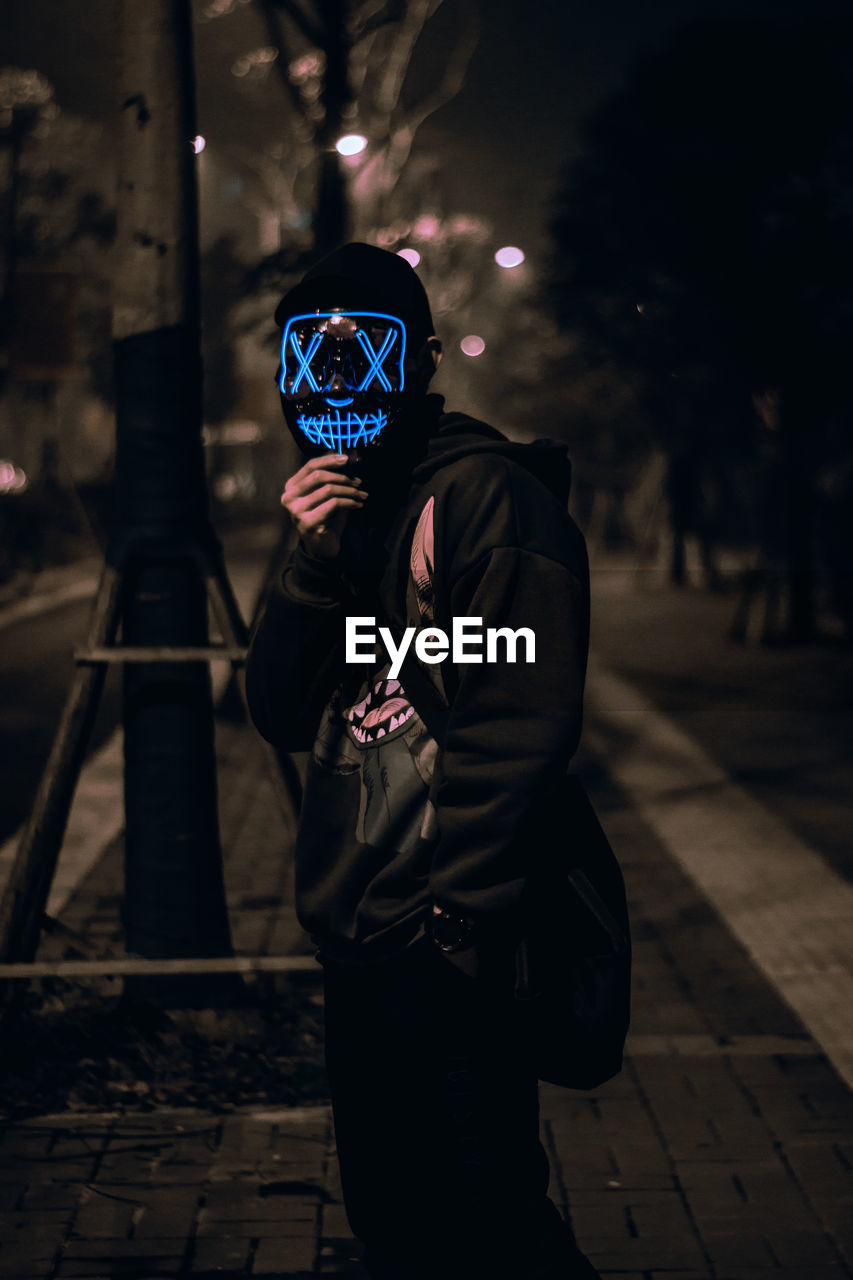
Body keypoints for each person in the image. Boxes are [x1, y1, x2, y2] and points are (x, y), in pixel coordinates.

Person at [246, 242, 600, 1280]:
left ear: (426, 356)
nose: (334, 377)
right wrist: (311, 566)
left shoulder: (485, 496)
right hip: (358, 923)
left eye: (364, 348)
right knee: (396, 1216)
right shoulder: (342, 506)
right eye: (309, 353)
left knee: (488, 1217)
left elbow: (518, 714)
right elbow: (274, 708)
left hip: (444, 928)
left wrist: (462, 915)